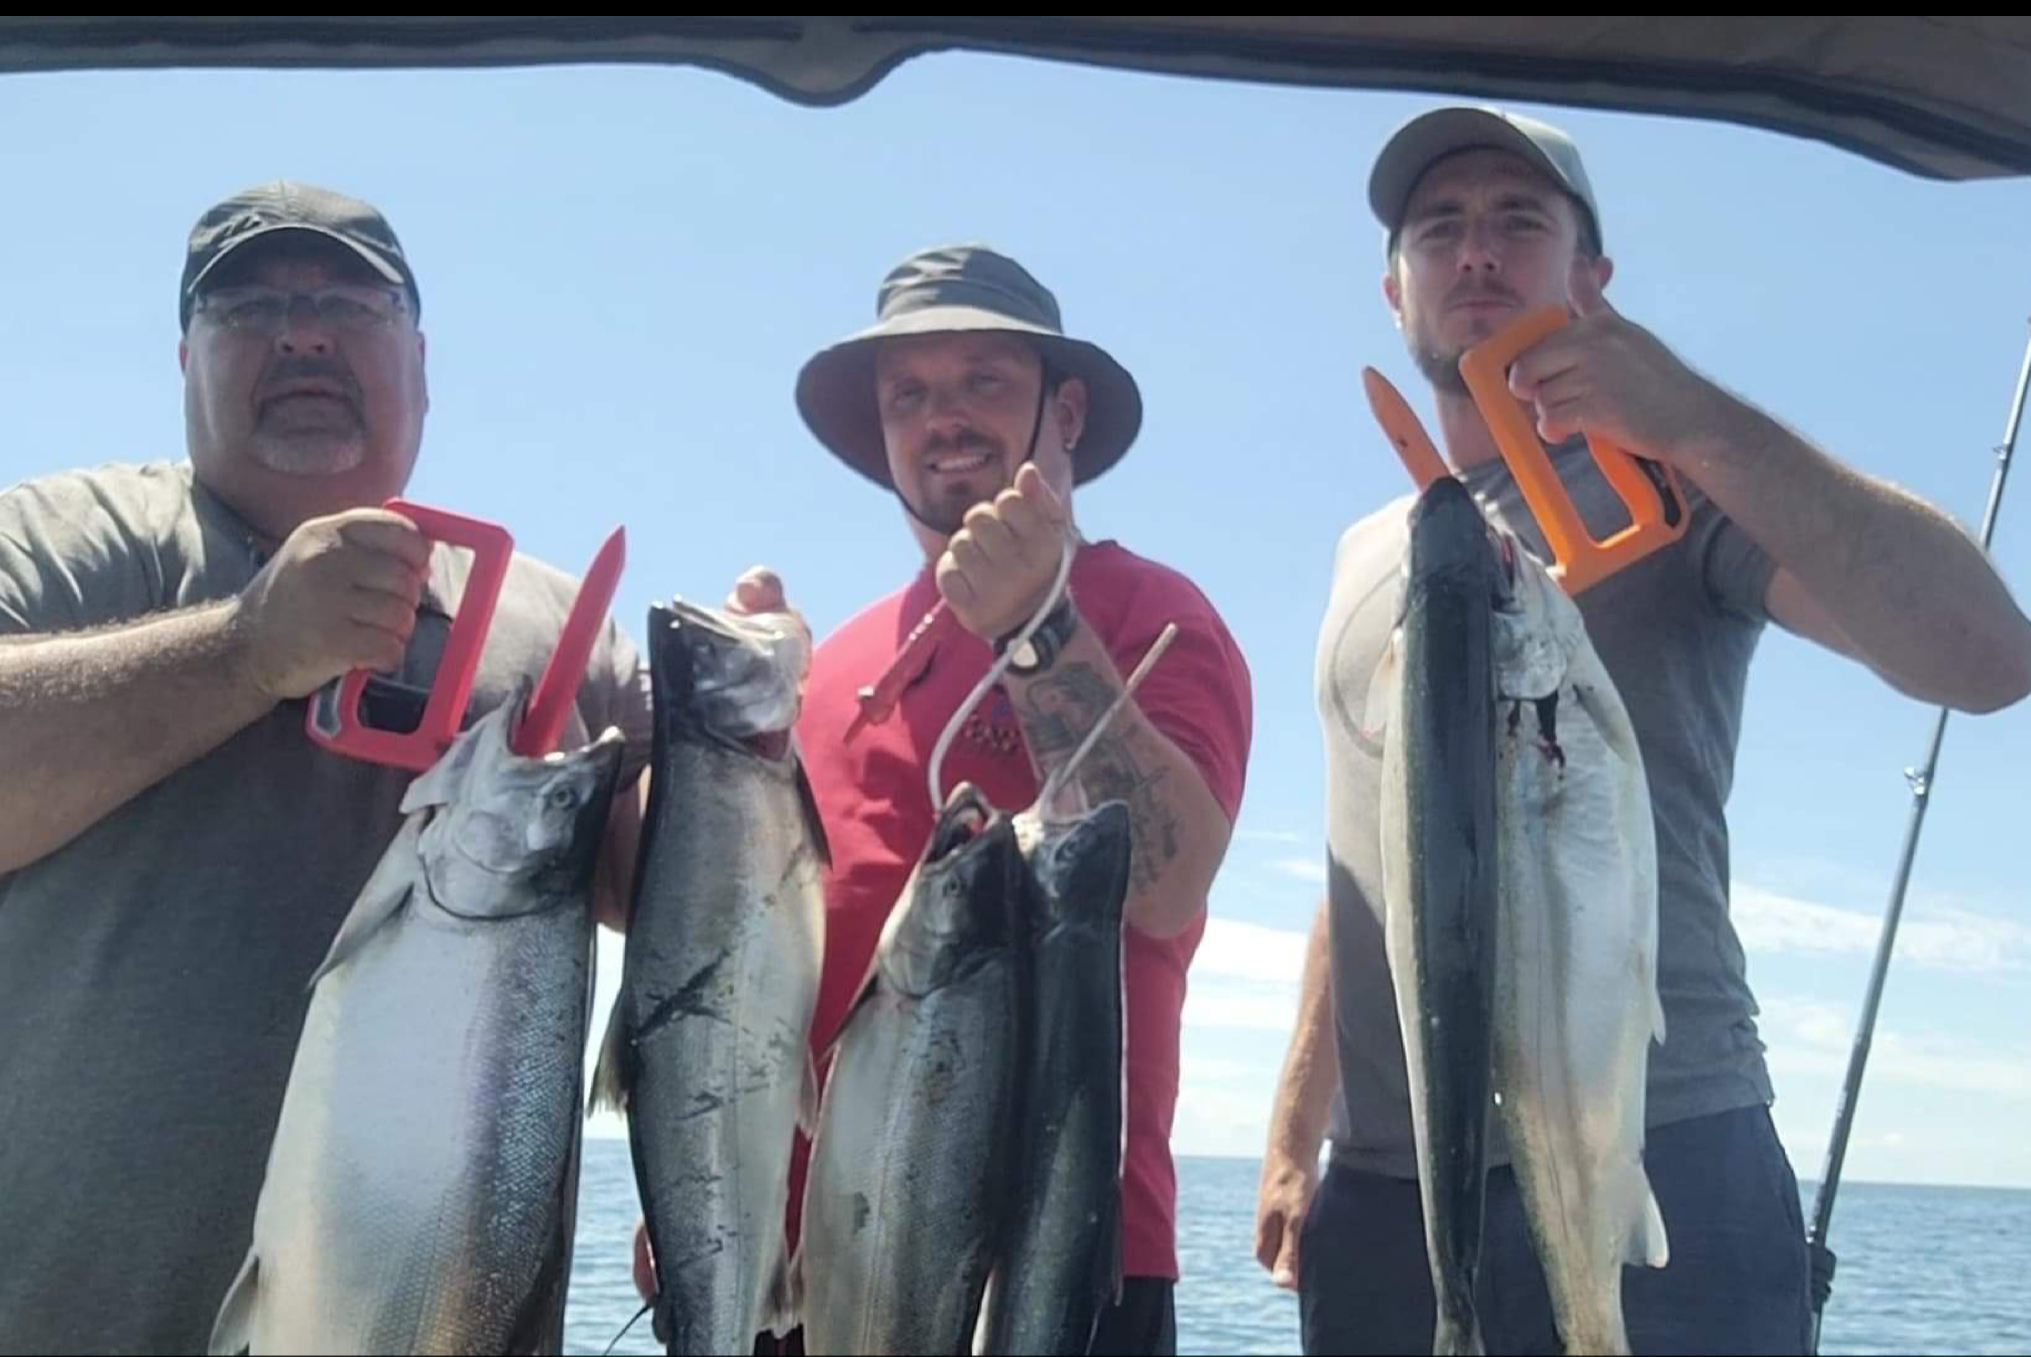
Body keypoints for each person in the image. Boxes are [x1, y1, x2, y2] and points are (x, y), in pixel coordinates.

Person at [1251, 106, 2031, 1356]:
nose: (1475, 252)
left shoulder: (1667, 483)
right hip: (1394, 1186)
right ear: (1393, 286)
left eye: (1521, 221)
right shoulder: (1368, 549)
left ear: (1592, 278)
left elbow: (1985, 657)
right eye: (1439, 229)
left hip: (1662, 1140)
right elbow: (1378, 846)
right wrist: (1300, 1127)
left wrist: (1697, 422)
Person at [0, 180, 652, 1354]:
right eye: (249, 304)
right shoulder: (54, 544)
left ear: (419, 355)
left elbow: (677, 912)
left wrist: (739, 763)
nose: (303, 328)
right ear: (184, 354)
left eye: (351, 300)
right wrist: (250, 646)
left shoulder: (566, 634)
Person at [635, 243, 1255, 1354]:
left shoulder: (1150, 612)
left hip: (1054, 1263)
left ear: (1065, 413)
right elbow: (764, 946)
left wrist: (1038, 630)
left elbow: (1165, 887)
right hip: (794, 1275)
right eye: (908, 394)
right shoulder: (834, 660)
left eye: (983, 381)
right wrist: (708, 1177)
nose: (944, 416)